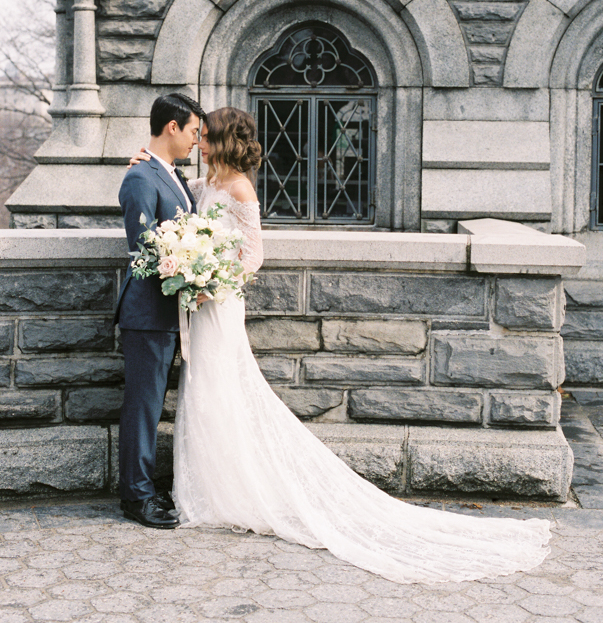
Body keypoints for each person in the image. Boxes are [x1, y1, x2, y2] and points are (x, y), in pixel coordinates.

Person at [129, 106, 552, 583]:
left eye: (206, 137)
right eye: (197, 135)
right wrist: (142, 163)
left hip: (219, 305)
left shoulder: (241, 189)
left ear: (223, 141)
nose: (199, 143)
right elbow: (172, 197)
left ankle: (233, 489)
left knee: (223, 389)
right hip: (197, 309)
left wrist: (214, 282)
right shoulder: (203, 187)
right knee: (203, 391)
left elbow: (253, 257)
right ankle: (210, 485)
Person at [117, 92, 205, 530]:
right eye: (193, 131)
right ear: (173, 127)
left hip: (173, 314)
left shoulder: (172, 174)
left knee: (152, 406)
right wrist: (189, 267)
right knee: (144, 407)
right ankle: (136, 496)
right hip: (148, 315)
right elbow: (143, 249)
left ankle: (147, 487)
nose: (196, 141)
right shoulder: (140, 178)